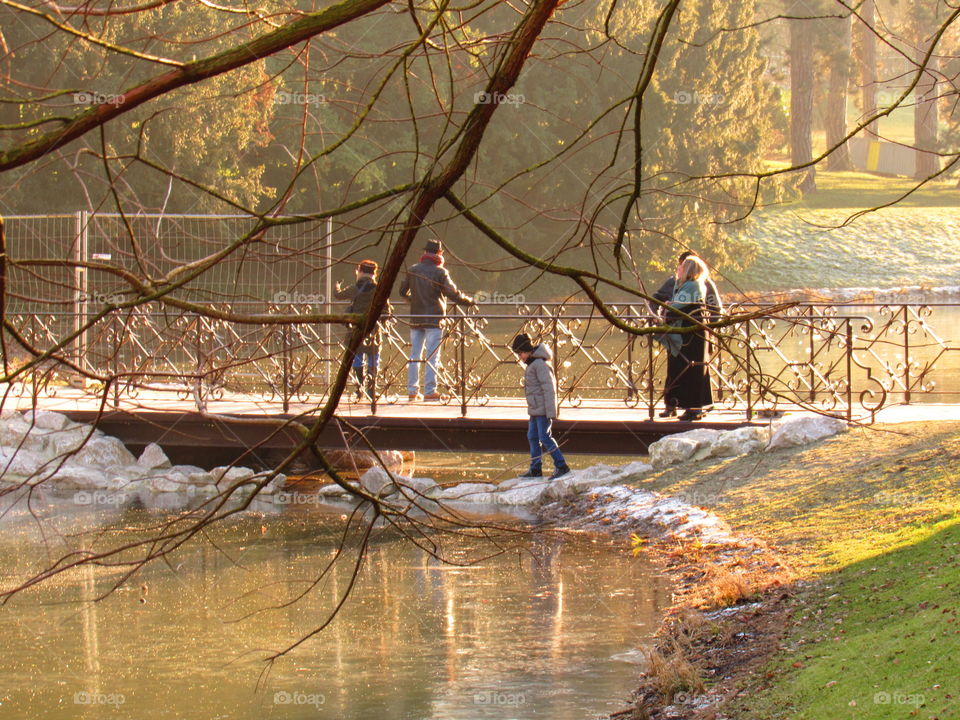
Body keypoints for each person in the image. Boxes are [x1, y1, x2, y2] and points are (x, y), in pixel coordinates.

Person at [398, 238, 474, 401]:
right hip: (434, 319)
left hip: (416, 319)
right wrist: (469, 301)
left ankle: (412, 391)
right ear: (439, 253)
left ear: (424, 253)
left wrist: (413, 299)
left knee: (414, 355)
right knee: (432, 356)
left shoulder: (412, 269)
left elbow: (402, 291)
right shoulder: (440, 272)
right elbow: (452, 293)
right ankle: (430, 391)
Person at [658, 255, 720, 421]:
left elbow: (677, 306)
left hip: (692, 334)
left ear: (689, 270)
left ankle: (694, 407)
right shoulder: (680, 284)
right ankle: (673, 404)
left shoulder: (694, 285)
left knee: (692, 369)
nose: (678, 268)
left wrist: (669, 307)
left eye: (682, 266)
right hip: (682, 332)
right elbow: (663, 300)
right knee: (677, 368)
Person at [511, 333, 571, 479]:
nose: (520, 357)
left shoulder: (540, 365)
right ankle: (535, 468)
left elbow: (549, 389)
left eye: (521, 353)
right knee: (532, 436)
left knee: (544, 437)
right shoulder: (532, 364)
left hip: (543, 410)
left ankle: (561, 465)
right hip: (534, 410)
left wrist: (551, 412)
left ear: (527, 350)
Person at [335, 260, 391, 401]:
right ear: (374, 273)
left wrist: (336, 286)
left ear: (360, 271)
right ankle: (371, 391)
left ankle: (359, 389)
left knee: (357, 358)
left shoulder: (354, 289)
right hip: (373, 331)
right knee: (373, 359)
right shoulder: (379, 289)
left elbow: (338, 295)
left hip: (356, 331)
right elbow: (387, 310)